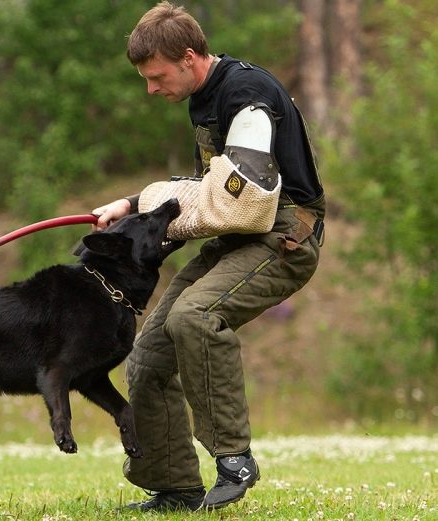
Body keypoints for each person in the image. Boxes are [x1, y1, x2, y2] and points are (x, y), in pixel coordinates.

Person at [91, 1, 325, 512]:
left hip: (285, 236)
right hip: (244, 235)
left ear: (190, 57)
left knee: (196, 317)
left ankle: (233, 459)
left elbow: (241, 202)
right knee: (150, 353)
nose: (151, 89)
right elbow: (210, 189)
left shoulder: (247, 98)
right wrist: (132, 206)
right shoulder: (205, 96)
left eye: (156, 77)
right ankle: (173, 484)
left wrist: (157, 217)